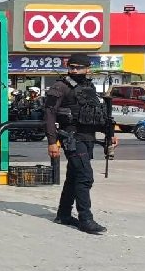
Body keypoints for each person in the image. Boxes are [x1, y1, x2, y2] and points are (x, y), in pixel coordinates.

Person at [44, 53, 113, 235]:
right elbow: (49, 114)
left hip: (87, 137)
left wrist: (109, 134)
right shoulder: (60, 86)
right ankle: (85, 219)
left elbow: (95, 114)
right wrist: (52, 141)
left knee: (74, 176)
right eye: (71, 67)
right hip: (71, 137)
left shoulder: (88, 87)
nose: (74, 70)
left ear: (87, 69)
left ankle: (63, 214)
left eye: (78, 67)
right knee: (85, 176)